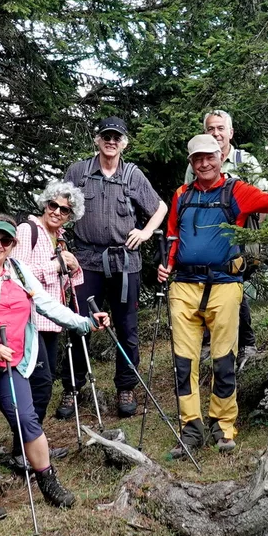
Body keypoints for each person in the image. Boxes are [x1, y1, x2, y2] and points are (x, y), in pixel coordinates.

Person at [158, 136, 268, 454]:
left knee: (223, 360)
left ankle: (223, 427)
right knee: (183, 362)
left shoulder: (237, 191)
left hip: (225, 284)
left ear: (220, 157)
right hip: (184, 287)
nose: (203, 164)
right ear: (191, 164)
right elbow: (174, 236)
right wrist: (166, 265)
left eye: (209, 158)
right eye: (197, 159)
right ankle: (190, 429)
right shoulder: (181, 195)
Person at [0, 216, 107, 523]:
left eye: (5, 241)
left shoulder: (19, 272)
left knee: (28, 421)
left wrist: (84, 322)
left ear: (12, 245)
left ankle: (48, 482)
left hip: (12, 363)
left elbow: (46, 303)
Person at [61, 117, 166, 417]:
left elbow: (159, 207)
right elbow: (59, 207)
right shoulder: (78, 172)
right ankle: (72, 387)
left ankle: (126, 386)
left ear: (124, 143)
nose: (111, 141)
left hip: (125, 262)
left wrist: (145, 233)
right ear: (97, 139)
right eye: (106, 136)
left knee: (127, 326)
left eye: (116, 137)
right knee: (79, 324)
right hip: (85, 261)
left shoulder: (133, 175)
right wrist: (60, 244)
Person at [14, 180, 85, 425]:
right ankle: (26, 447)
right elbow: (17, 276)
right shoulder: (27, 230)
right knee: (40, 384)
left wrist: (73, 269)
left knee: (44, 383)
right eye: (52, 205)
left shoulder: (60, 239)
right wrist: (54, 266)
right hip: (29, 322)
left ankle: (31, 445)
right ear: (45, 204)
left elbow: (63, 286)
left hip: (52, 322)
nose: (56, 211)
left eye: (64, 209)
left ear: (70, 215)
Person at [203, 109, 265, 361]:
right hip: (208, 241)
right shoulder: (198, 162)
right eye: (210, 129)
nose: (216, 133)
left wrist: (249, 239)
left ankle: (246, 343)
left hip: (240, 241)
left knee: (232, 287)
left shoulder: (246, 162)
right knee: (207, 286)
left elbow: (263, 204)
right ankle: (213, 343)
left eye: (220, 128)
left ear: (230, 132)